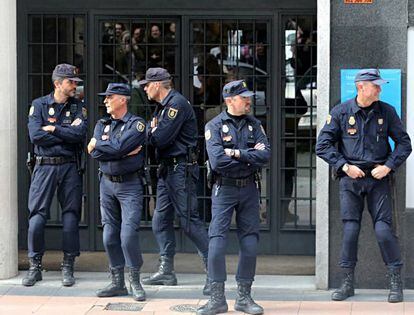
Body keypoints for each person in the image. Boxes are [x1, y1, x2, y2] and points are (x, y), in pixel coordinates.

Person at [316, 69, 412, 303]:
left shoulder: (387, 112)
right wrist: (345, 166)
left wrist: (388, 166)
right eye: (376, 85)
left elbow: (404, 144)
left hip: (379, 179)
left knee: (383, 231)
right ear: (361, 87)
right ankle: (347, 282)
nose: (380, 89)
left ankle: (395, 281)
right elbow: (322, 145)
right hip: (351, 179)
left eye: (380, 85)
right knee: (350, 231)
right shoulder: (341, 112)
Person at [198, 80, 270, 315]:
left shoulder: (255, 125)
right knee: (217, 242)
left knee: (250, 242)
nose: (249, 101)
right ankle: (217, 298)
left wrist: (238, 153)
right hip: (224, 188)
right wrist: (251, 156)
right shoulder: (214, 125)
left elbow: (266, 155)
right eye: (244, 98)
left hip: (249, 188)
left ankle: (244, 297)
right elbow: (218, 161)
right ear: (230, 100)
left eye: (248, 97)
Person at [138, 67, 210, 294]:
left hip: (181, 170)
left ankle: (214, 273)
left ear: (158, 84)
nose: (145, 88)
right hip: (167, 170)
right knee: (160, 220)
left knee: (190, 221)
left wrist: (152, 131)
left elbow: (159, 138)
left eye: (147, 84)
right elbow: (154, 136)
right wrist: (152, 131)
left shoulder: (175, 105)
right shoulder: (163, 107)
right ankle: (166, 270)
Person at [23, 63, 87, 287]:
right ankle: (35, 266)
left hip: (69, 166)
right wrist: (64, 135)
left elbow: (79, 135)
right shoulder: (39, 105)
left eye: (75, 82)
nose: (75, 86)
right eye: (71, 82)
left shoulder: (78, 106)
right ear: (57, 83)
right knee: (37, 218)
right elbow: (35, 136)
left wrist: (54, 129)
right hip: (44, 167)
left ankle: (68, 265)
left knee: (70, 216)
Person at [87, 83, 147, 301]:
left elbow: (115, 148)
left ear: (123, 99)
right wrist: (118, 150)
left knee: (128, 236)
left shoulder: (137, 125)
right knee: (109, 235)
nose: (105, 101)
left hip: (129, 185)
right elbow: (96, 152)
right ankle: (117, 282)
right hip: (107, 184)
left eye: (109, 97)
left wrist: (104, 147)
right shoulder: (102, 124)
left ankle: (135, 281)